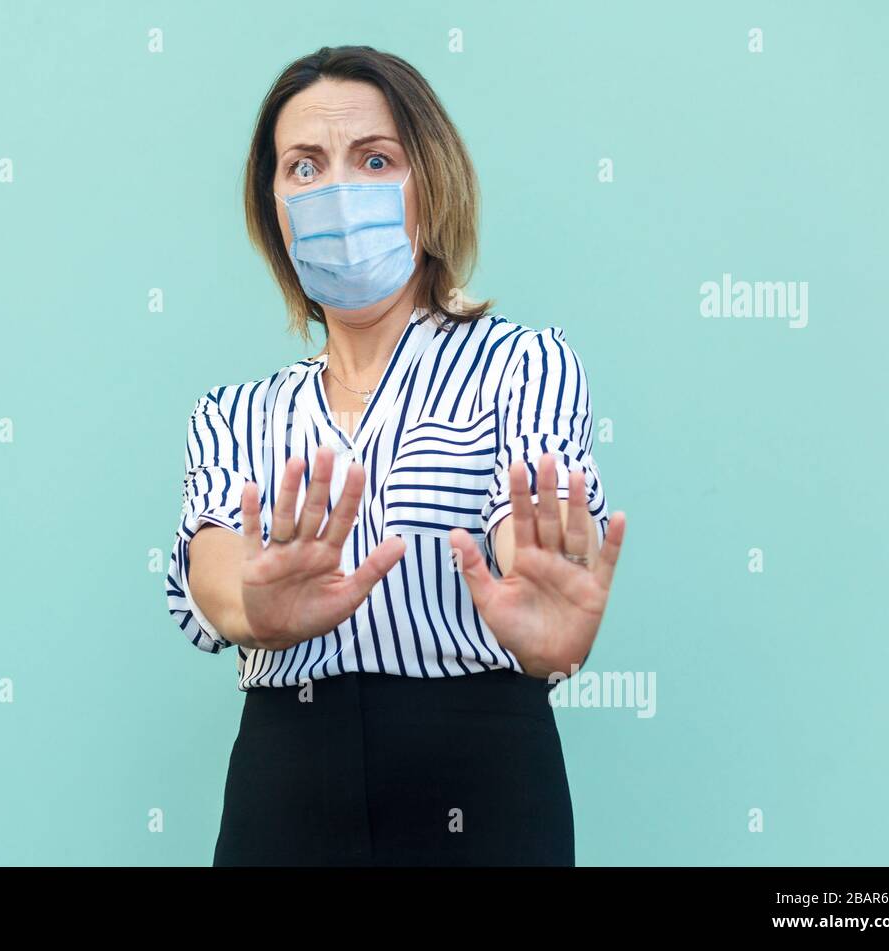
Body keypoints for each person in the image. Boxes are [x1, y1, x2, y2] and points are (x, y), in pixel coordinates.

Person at [164, 45, 626, 866]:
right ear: (272, 204)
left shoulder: (520, 365)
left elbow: (531, 541)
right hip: (285, 787)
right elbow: (215, 566)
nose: (338, 191)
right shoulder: (235, 413)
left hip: (481, 782)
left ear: (430, 184)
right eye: (303, 167)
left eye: (375, 159)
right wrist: (254, 607)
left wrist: (544, 606)